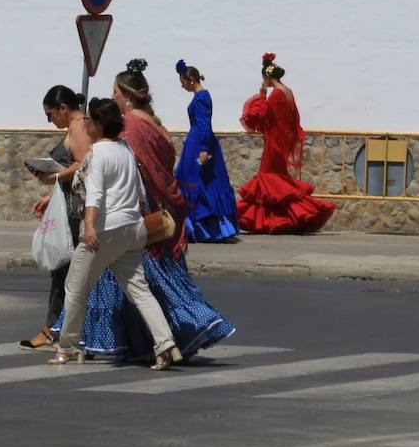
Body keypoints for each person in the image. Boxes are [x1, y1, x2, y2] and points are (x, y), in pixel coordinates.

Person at [115, 59, 236, 357]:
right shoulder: (153, 122)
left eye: (115, 91)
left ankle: (171, 335)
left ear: (127, 95)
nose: (113, 97)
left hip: (148, 206)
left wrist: (204, 148)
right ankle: (148, 339)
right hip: (167, 191)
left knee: (148, 282)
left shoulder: (134, 124)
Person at [50, 97, 181, 370]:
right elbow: (140, 192)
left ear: (98, 125)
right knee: (139, 290)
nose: (85, 124)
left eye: (89, 120)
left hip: (105, 229)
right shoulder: (125, 150)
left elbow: (94, 194)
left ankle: (68, 347)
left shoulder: (98, 154)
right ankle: (166, 345)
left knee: (75, 286)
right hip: (133, 229)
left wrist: (88, 227)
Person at [20, 86, 89, 352]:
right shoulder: (76, 127)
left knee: (62, 271)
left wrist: (53, 178)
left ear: (63, 108)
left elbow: (83, 164)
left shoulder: (78, 127)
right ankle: (57, 329)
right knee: (64, 273)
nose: (51, 121)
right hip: (68, 205)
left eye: (50, 115)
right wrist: (51, 195)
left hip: (75, 213)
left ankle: (53, 330)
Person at [236, 53, 335, 234]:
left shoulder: (275, 95)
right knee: (276, 183)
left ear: (267, 77)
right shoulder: (288, 91)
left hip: (274, 143)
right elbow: (293, 119)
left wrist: (261, 96)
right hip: (281, 142)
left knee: (268, 181)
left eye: (263, 79)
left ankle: (272, 220)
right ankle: (281, 219)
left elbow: (260, 116)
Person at [174, 59, 239, 242]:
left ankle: (208, 228)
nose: (182, 86)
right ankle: (201, 227)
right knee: (197, 182)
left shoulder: (202, 97)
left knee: (201, 182)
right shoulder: (199, 97)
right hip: (195, 141)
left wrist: (203, 148)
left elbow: (204, 122)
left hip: (200, 143)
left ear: (191, 80)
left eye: (183, 82)